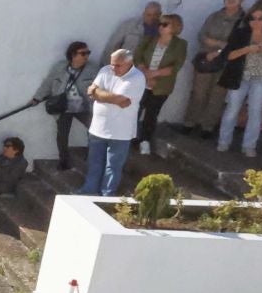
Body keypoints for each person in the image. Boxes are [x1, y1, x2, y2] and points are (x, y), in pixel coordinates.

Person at [215, 6, 262, 157]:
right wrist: (248, 49)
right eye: (253, 18)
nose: (256, 21)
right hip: (241, 76)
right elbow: (229, 55)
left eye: (261, 18)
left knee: (256, 112)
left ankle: (249, 145)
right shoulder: (240, 33)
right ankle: (224, 141)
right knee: (232, 109)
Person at [185, 0, 248, 138]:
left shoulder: (244, 20)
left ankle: (208, 126)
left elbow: (238, 44)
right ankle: (189, 123)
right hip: (206, 60)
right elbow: (202, 36)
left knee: (217, 96)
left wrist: (217, 47)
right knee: (198, 93)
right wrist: (218, 46)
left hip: (227, 63)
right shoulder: (214, 16)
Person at [79, 49, 144, 196]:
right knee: (94, 163)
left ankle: (107, 196)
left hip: (120, 131)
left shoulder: (136, 77)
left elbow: (119, 99)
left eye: (118, 65)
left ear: (129, 63)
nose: (113, 68)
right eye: (112, 64)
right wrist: (109, 97)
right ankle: (88, 191)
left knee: (113, 166)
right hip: (98, 127)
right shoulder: (105, 70)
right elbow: (91, 91)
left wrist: (99, 95)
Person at [129, 13, 186, 155]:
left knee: (151, 114)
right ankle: (129, 138)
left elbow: (175, 66)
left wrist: (154, 75)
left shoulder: (180, 44)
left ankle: (145, 141)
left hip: (161, 85)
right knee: (135, 110)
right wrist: (146, 74)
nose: (160, 27)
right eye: (159, 24)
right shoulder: (149, 40)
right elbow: (138, 57)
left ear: (174, 27)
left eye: (165, 24)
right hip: (143, 80)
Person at [33, 42, 96, 170]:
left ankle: (92, 155)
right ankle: (63, 160)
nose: (86, 56)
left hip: (83, 107)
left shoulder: (92, 69)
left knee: (94, 129)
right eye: (83, 53)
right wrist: (37, 98)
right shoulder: (60, 68)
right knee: (62, 135)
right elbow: (48, 82)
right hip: (63, 107)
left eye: (88, 53)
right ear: (73, 55)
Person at [105, 1, 163, 66]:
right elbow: (113, 45)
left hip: (147, 69)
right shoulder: (130, 25)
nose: (151, 18)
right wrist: (108, 66)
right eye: (149, 15)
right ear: (144, 14)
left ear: (160, 15)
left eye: (155, 15)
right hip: (124, 66)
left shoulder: (164, 30)